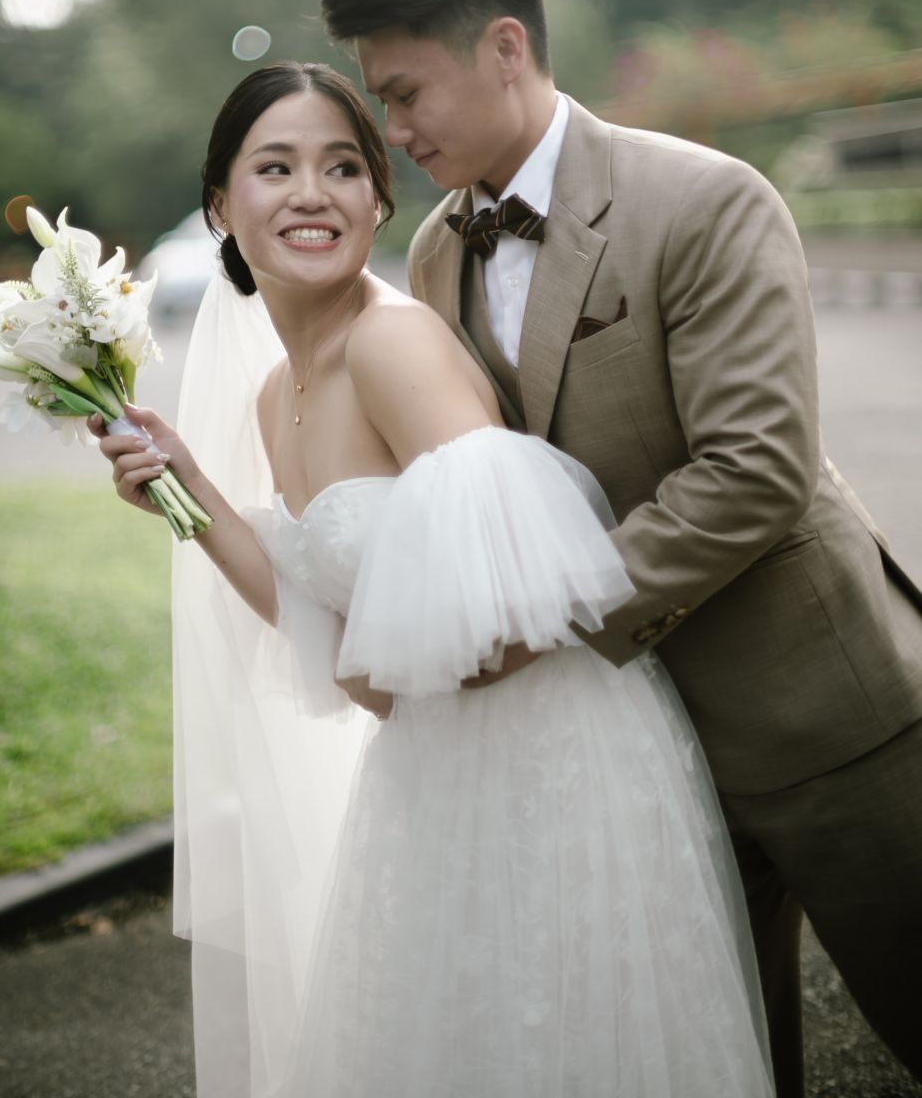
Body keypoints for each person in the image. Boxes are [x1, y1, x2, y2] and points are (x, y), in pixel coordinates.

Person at [320, 0, 922, 1098]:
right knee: (725, 1066)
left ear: (503, 46)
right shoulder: (435, 254)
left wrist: (536, 615)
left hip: (822, 719)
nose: (392, 129)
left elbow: (754, 468)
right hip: (636, 766)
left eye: (404, 92)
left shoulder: (703, 199)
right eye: (378, 101)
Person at [95, 60, 775, 1098]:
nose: (312, 193)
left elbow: (516, 608)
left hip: (542, 765)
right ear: (219, 205)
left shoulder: (392, 342)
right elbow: (336, 640)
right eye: (274, 168)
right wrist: (190, 492)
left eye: (342, 167)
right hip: (433, 773)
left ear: (378, 198)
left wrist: (385, 679)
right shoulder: (280, 392)